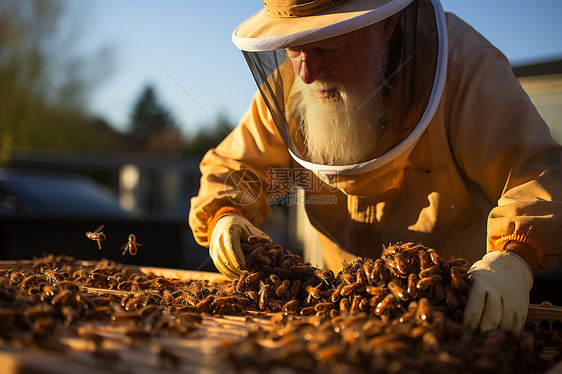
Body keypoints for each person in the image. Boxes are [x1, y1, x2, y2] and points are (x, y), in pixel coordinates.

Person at [189, 0, 562, 335]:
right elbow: (234, 166)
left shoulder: (467, 68)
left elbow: (536, 173)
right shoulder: (291, 84)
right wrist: (225, 212)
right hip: (338, 321)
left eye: (328, 45)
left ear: (387, 22)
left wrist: (516, 253)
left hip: (456, 319)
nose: (306, 72)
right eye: (293, 47)